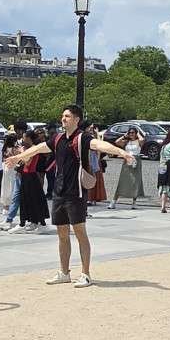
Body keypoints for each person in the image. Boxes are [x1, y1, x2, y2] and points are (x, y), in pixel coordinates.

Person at [42, 105, 129, 287]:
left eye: (67, 116)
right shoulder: (58, 138)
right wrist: (20, 156)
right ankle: (64, 272)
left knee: (80, 233)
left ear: (76, 119)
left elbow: (100, 145)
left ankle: (86, 273)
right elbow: (40, 148)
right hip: (59, 192)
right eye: (62, 116)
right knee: (62, 234)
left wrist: (121, 152)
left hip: (76, 192)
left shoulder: (83, 138)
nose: (63, 119)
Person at [113, 132, 147, 207]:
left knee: (135, 181)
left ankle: (134, 202)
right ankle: (114, 201)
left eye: (133, 132)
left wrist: (138, 133)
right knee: (122, 180)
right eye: (130, 133)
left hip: (136, 160)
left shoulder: (138, 141)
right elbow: (117, 142)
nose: (131, 134)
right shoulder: (126, 142)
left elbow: (142, 140)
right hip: (127, 160)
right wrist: (124, 135)